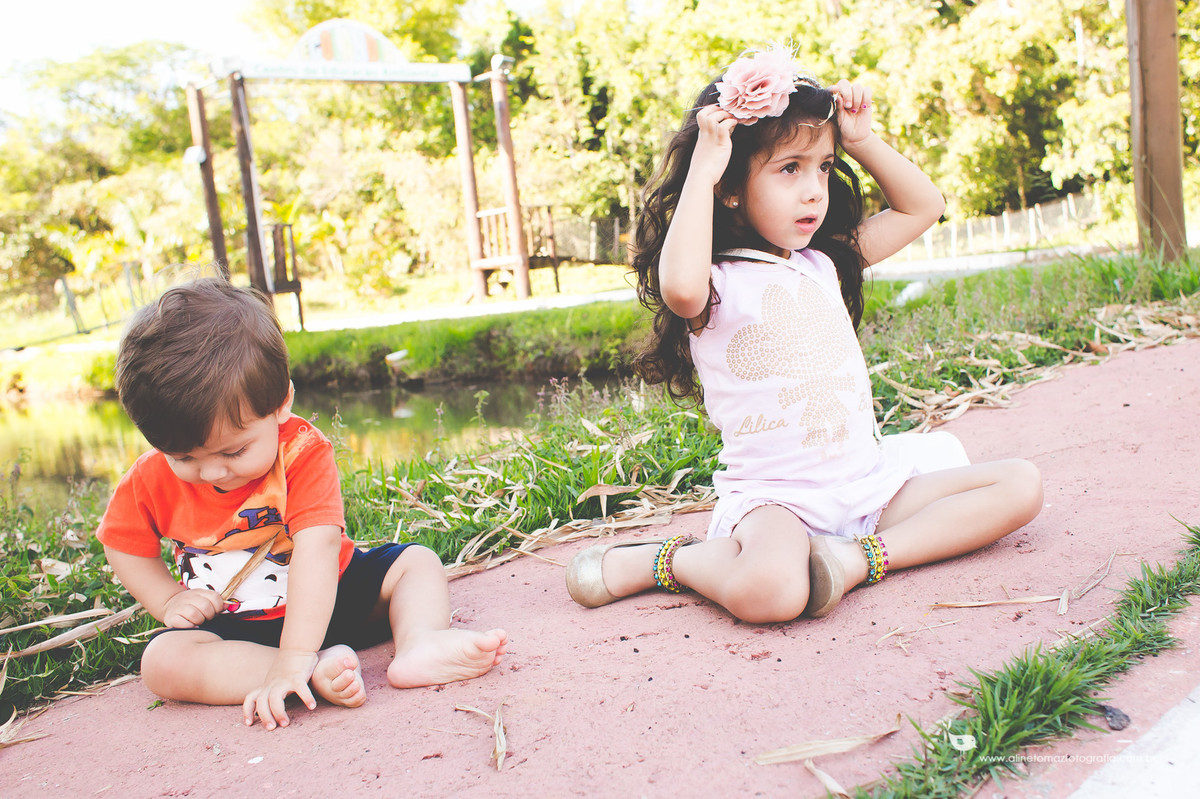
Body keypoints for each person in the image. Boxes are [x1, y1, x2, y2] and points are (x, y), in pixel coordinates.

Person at [566, 46, 1043, 622]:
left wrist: (861, 141)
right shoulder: (713, 283)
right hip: (779, 501)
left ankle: (855, 561)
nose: (815, 189)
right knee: (771, 595)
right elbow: (680, 289)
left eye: (822, 166)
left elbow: (924, 207)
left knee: (1020, 485)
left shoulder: (823, 262)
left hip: (869, 486)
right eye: (789, 168)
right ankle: (665, 561)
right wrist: (703, 167)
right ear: (731, 186)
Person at [98, 278, 507, 730]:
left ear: (281, 404)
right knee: (162, 661)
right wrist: (169, 597)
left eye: (233, 452)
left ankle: (421, 642)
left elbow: (317, 548)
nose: (212, 473)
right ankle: (307, 676)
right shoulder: (149, 476)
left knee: (416, 563)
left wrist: (298, 651)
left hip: (333, 597)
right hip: (239, 627)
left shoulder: (302, 452)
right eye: (184, 458)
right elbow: (122, 541)